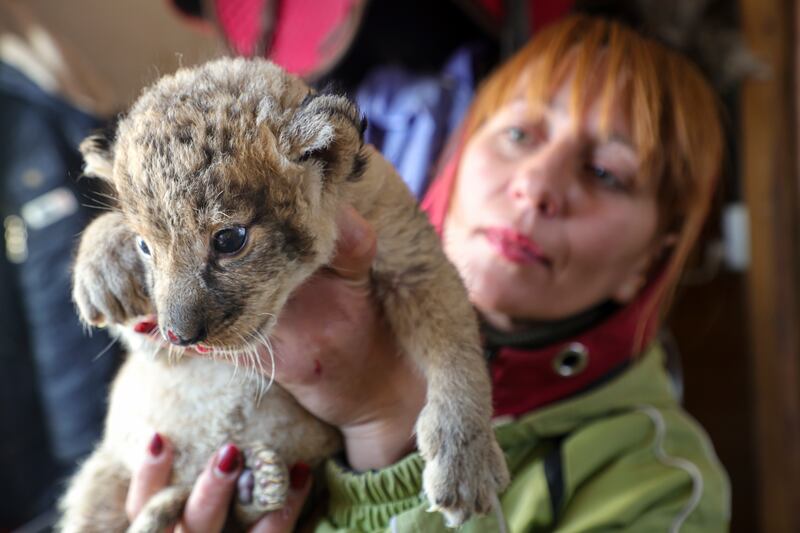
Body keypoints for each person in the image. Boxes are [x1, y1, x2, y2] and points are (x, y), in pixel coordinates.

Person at [124, 12, 730, 533]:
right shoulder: (319, 218)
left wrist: (383, 419)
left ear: (653, 257)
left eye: (605, 173)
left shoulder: (660, 483)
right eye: (519, 134)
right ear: (458, 153)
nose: (538, 185)